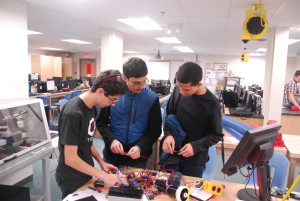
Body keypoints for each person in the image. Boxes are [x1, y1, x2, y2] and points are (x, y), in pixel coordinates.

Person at [56, 70, 129, 199]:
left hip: (85, 171)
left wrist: (101, 162)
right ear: (100, 91)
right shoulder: (73, 113)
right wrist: (105, 177)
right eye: (112, 100)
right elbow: (70, 159)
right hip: (71, 177)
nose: (112, 104)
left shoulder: (92, 107)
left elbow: (87, 141)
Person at [160, 62, 224, 177]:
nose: (181, 92)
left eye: (186, 90)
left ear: (199, 84)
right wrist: (168, 135)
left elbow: (217, 135)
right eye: (179, 87)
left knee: (190, 192)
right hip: (172, 156)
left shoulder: (212, 104)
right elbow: (169, 119)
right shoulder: (177, 91)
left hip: (194, 162)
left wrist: (195, 146)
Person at [97, 57, 162, 169]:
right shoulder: (112, 94)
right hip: (112, 156)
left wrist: (140, 146)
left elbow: (155, 130)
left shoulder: (152, 99)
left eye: (144, 81)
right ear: (125, 78)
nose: (141, 86)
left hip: (138, 158)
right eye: (136, 83)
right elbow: (101, 123)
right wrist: (111, 140)